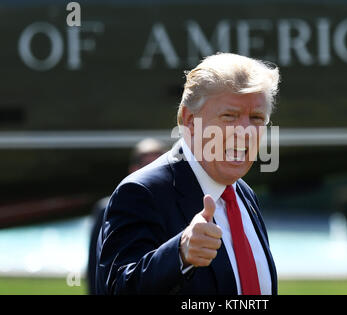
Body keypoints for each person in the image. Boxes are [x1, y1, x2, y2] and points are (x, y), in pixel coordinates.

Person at [95, 53, 280, 295]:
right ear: (189, 120)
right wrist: (179, 255)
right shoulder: (142, 192)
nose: (245, 132)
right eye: (229, 116)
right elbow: (117, 290)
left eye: (256, 118)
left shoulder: (244, 195)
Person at [87, 138, 167, 294]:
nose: (151, 170)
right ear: (133, 168)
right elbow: (95, 265)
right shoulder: (106, 208)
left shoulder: (173, 207)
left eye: (157, 164)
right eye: (145, 165)